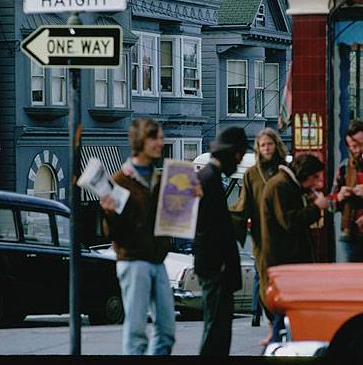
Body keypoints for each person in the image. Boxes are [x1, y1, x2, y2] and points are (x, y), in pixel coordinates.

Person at [99, 118, 175, 355]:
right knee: (136, 333)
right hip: (133, 262)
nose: (161, 143)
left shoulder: (160, 179)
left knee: (167, 331)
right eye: (155, 138)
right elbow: (109, 232)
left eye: (161, 138)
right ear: (141, 141)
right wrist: (109, 213)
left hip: (157, 260)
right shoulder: (120, 180)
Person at [193, 126, 250, 356]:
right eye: (238, 156)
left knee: (217, 327)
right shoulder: (210, 180)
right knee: (217, 329)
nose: (238, 162)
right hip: (216, 269)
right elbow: (210, 229)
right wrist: (220, 263)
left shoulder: (207, 178)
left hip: (214, 267)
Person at [259, 153, 328, 342]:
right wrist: (316, 207)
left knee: (286, 313)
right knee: (284, 311)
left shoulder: (287, 185)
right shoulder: (281, 186)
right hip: (284, 260)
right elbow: (289, 221)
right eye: (314, 177)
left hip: (287, 259)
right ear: (304, 174)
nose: (317, 182)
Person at [229, 128, 288, 341]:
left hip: (286, 235)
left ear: (276, 145)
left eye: (269, 144)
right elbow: (242, 205)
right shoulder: (251, 174)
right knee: (265, 283)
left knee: (287, 283)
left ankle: (286, 328)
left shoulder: (285, 170)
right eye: (262, 145)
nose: (266, 148)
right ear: (258, 148)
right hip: (262, 237)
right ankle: (272, 328)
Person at [328, 120, 363, 262]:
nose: (357, 150)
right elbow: (330, 204)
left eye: (361, 145)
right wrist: (339, 196)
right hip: (351, 235)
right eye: (353, 147)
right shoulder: (345, 168)